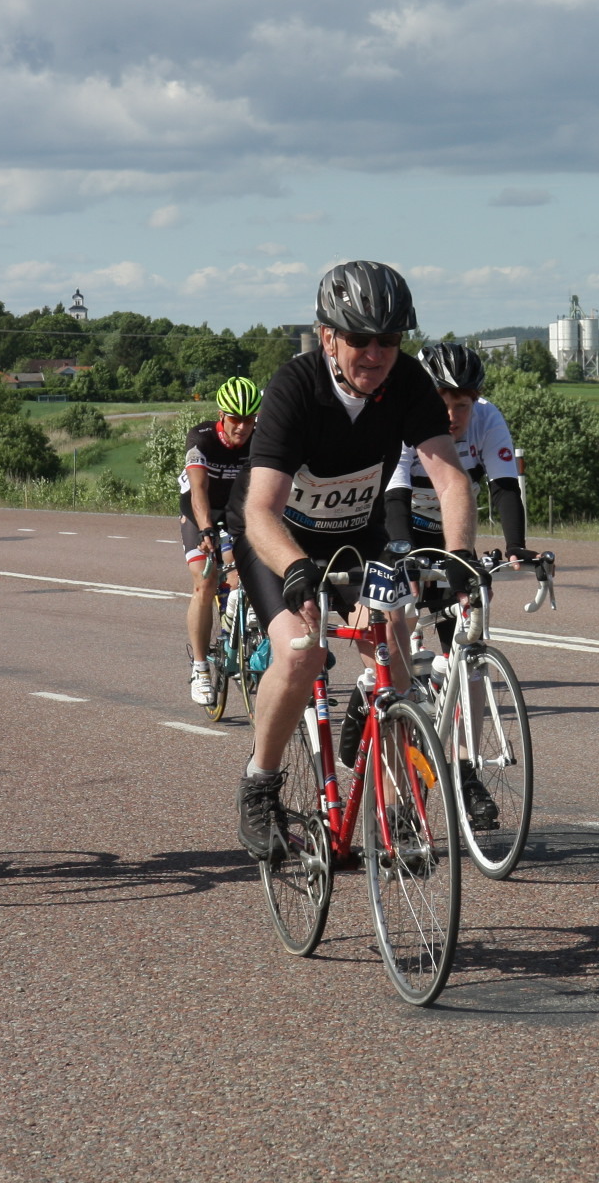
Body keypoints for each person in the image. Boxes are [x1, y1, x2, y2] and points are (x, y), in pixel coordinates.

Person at [226, 261, 484, 857]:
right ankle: (260, 783)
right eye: (360, 338)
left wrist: (459, 557)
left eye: (389, 339)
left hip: (358, 532)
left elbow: (451, 480)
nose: (375, 353)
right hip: (278, 537)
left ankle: (396, 816)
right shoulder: (295, 387)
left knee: (394, 647)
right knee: (301, 651)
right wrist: (296, 570)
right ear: (327, 337)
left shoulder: (409, 383)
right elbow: (260, 510)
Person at [383, 340, 536, 575]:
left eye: (462, 406)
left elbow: (504, 486)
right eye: (440, 404)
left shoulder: (487, 418)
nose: (450, 416)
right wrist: (405, 552)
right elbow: (395, 496)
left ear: (475, 401)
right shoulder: (403, 418)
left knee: (473, 589)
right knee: (400, 590)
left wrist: (515, 545)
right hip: (399, 525)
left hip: (453, 527)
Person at [180, 377, 259, 704]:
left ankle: (238, 636)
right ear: (221, 415)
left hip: (237, 512)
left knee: (251, 573)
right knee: (206, 582)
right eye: (235, 419)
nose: (242, 427)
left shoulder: (261, 439)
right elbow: (198, 489)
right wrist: (206, 529)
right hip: (201, 511)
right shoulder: (202, 439)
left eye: (249, 419)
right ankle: (200, 669)